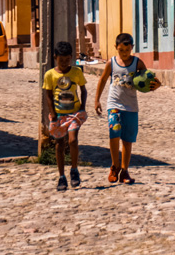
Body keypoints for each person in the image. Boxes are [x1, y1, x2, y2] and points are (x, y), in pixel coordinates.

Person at [92, 32, 159, 185]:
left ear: (132, 48)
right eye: (121, 50)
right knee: (114, 131)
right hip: (114, 104)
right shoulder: (112, 63)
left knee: (127, 141)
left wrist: (157, 85)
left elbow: (149, 80)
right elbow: (102, 80)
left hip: (131, 107)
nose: (124, 54)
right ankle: (114, 166)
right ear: (116, 48)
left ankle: (124, 170)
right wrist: (97, 100)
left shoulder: (137, 63)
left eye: (127, 51)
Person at [43, 41, 87, 191]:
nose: (64, 63)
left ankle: (74, 169)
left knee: (73, 140)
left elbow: (83, 90)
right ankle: (61, 176)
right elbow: (48, 95)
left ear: (71, 58)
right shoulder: (50, 75)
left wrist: (82, 106)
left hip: (74, 114)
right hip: (58, 115)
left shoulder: (76, 72)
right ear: (55, 58)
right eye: (61, 60)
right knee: (59, 144)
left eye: (67, 60)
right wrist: (53, 113)